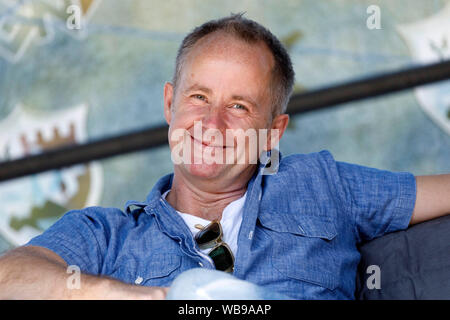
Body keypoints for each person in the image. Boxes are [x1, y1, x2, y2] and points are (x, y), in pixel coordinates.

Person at [0, 13, 449, 300]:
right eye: (198, 98)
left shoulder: (320, 183)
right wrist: (159, 298)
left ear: (273, 133)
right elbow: (10, 279)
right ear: (169, 106)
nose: (211, 125)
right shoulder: (104, 235)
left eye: (239, 106)